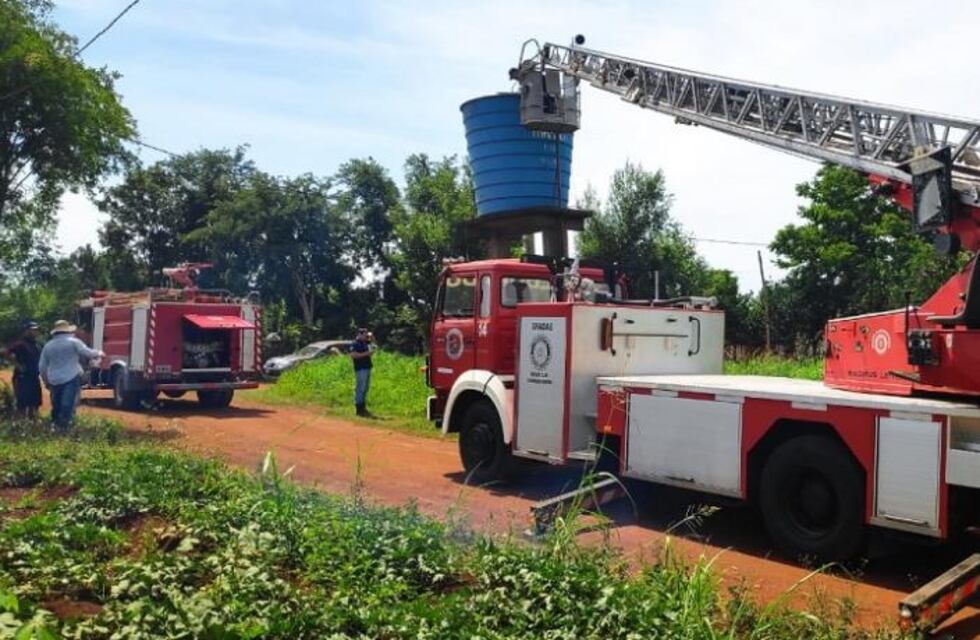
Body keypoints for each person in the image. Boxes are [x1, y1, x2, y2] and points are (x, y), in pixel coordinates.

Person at [38, 320, 103, 430]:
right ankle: (66, 429)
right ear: (67, 331)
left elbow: (42, 366)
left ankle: (55, 427)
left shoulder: (48, 346)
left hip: (54, 380)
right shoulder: (74, 342)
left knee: (56, 406)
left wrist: (46, 381)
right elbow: (88, 353)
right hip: (71, 378)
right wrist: (99, 353)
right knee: (68, 405)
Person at [4, 320, 42, 417]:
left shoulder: (35, 344)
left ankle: (32, 427)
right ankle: (20, 427)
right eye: (33, 330)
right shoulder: (20, 344)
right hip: (22, 377)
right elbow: (6, 352)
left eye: (36, 330)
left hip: (34, 377)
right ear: (26, 331)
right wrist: (17, 365)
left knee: (34, 403)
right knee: (22, 404)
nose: (35, 332)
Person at [349, 327, 374, 417]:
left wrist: (371, 336)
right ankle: (359, 408)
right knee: (361, 388)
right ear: (360, 334)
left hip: (367, 367)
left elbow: (374, 345)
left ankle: (363, 407)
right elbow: (353, 355)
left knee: (366, 388)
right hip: (360, 369)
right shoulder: (355, 343)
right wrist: (366, 354)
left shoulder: (365, 342)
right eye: (365, 335)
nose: (366, 337)